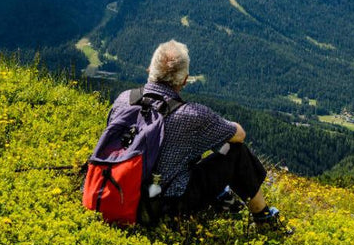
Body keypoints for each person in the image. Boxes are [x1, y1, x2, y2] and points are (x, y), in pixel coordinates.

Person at [107, 40, 289, 231]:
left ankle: (224, 197)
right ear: (185, 80)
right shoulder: (192, 114)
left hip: (117, 192)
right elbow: (239, 135)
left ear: (149, 70)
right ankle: (264, 218)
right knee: (236, 152)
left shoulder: (124, 100)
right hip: (166, 206)